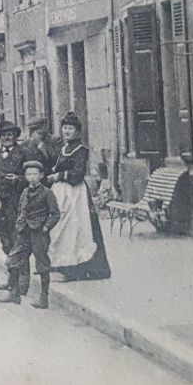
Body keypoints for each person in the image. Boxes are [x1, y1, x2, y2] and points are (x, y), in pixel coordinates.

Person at [46, 112, 112, 281]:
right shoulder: (64, 148)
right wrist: (52, 173)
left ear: (77, 131)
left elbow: (77, 174)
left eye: (70, 128)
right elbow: (58, 166)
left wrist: (59, 176)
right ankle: (61, 266)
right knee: (60, 227)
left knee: (77, 229)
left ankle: (76, 269)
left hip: (75, 195)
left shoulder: (81, 149)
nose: (67, 131)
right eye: (65, 128)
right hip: (61, 193)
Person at [0, 160, 60, 309]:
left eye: (35, 174)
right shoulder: (25, 192)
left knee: (42, 265)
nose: (32, 177)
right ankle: (14, 293)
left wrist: (45, 228)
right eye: (29, 174)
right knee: (13, 260)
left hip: (39, 234)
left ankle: (43, 298)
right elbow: (21, 209)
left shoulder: (47, 193)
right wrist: (19, 222)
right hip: (24, 232)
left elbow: (55, 214)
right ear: (25, 176)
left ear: (41, 175)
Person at [0, 119, 29, 284]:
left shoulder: (24, 153)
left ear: (16, 136)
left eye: (10, 135)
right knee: (5, 241)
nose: (7, 138)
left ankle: (23, 282)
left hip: (17, 203)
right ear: (0, 137)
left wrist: (18, 179)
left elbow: (35, 178)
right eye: (4, 135)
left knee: (19, 241)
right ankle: (12, 280)